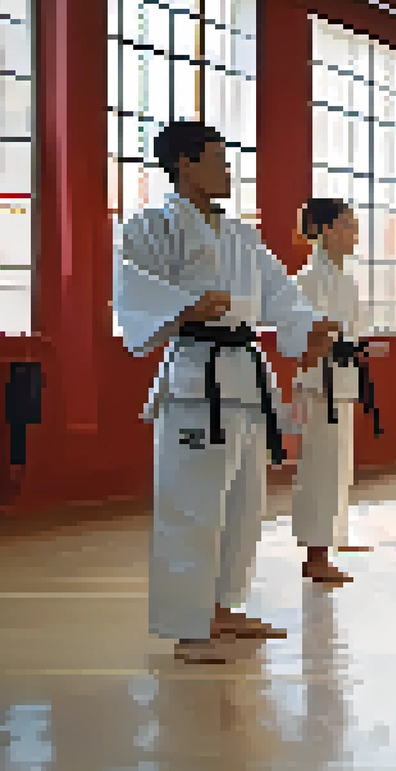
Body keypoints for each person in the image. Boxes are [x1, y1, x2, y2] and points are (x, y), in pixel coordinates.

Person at [114, 120, 339, 664]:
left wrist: (308, 325)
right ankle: (188, 627)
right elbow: (130, 288)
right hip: (195, 375)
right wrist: (187, 307)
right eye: (217, 158)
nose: (228, 168)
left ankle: (223, 605)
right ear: (185, 165)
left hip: (243, 375)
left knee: (243, 505)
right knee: (190, 506)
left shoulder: (242, 235)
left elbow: (280, 291)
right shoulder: (150, 228)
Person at [290, 198, 387, 585]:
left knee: (338, 467)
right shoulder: (308, 279)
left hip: (343, 377)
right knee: (319, 468)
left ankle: (331, 538)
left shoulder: (344, 278)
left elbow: (351, 329)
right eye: (347, 225)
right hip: (321, 383)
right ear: (326, 230)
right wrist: (343, 342)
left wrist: (359, 345)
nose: (354, 233)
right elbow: (307, 337)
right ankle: (315, 555)